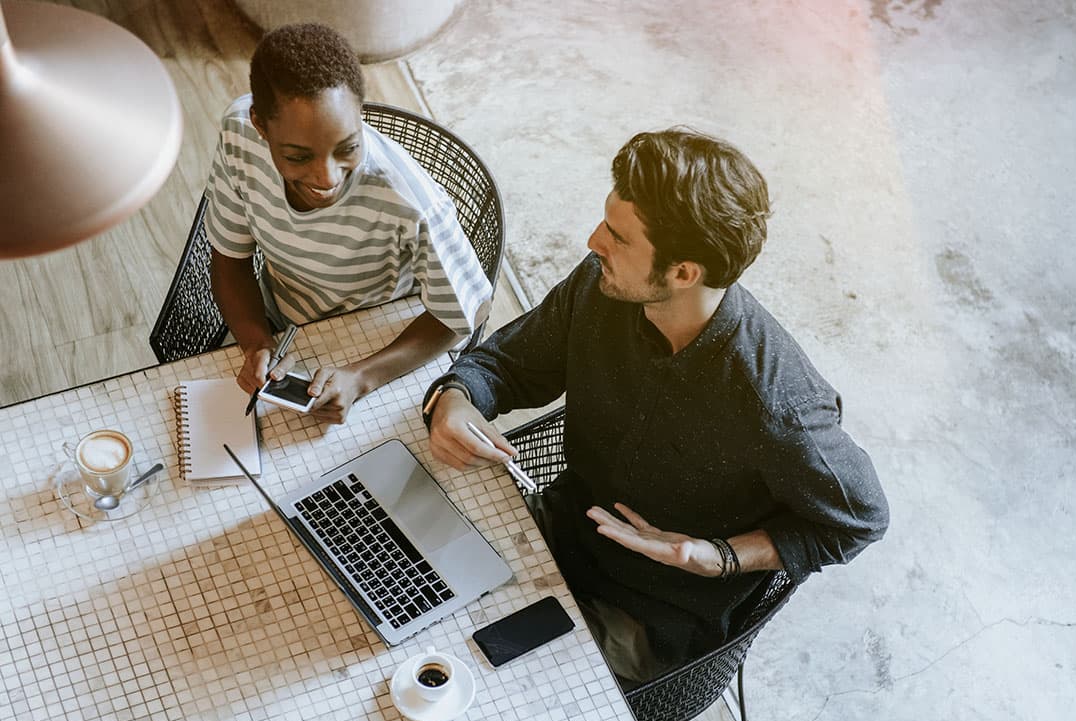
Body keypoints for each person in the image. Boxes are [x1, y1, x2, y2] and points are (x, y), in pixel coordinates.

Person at [423, 129, 889, 685]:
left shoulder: (779, 404)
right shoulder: (603, 285)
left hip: (653, 612)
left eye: (617, 237)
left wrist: (714, 556)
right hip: (559, 533)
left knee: (495, 694)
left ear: (684, 272)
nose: (593, 241)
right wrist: (455, 397)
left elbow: (859, 521)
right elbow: (510, 364)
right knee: (409, 603)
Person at [204, 23, 491, 423]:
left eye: (348, 148)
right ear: (259, 126)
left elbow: (466, 313)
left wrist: (361, 377)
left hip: (378, 345)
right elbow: (229, 260)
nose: (327, 178)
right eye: (298, 156)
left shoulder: (413, 204)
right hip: (281, 330)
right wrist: (255, 344)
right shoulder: (238, 134)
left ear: (360, 113)